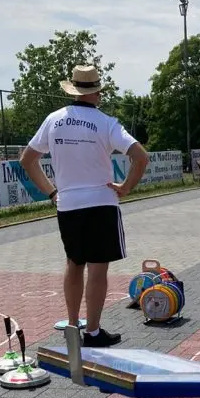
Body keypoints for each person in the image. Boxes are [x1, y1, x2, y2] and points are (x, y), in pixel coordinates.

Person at [20, 65, 148, 347]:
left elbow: (27, 160)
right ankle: (92, 331)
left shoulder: (53, 120)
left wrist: (52, 192)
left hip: (67, 204)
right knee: (97, 269)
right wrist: (126, 187)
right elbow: (141, 156)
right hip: (101, 203)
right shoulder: (106, 123)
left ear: (74, 90)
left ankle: (72, 325)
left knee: (74, 263)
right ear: (97, 92)